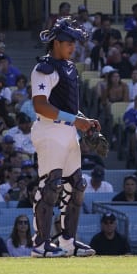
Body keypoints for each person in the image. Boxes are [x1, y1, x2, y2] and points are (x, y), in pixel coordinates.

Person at [30, 17, 100, 257]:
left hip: (68, 131)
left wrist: (83, 119)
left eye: (75, 43)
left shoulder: (69, 67)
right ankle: (40, 244)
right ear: (56, 43)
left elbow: (67, 106)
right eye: (69, 42)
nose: (73, 47)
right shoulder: (44, 68)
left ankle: (68, 242)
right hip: (49, 130)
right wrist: (75, 120)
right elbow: (40, 105)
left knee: (77, 185)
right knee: (51, 185)